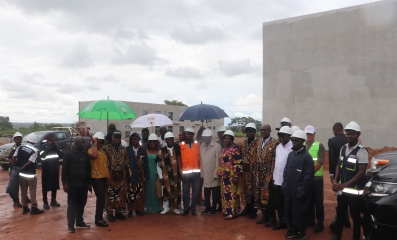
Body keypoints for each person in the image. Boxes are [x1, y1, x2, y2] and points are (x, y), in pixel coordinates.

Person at [331, 121, 368, 240]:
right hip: (342, 190)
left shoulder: (362, 151)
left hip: (354, 192)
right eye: (348, 134)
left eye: (352, 134)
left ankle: (356, 237)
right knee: (340, 212)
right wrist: (336, 181)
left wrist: (344, 185)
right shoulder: (343, 148)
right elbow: (338, 165)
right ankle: (337, 235)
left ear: (358, 135)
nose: (349, 136)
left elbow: (361, 172)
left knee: (355, 216)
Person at [282, 130, 314, 240]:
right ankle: (293, 229)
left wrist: (300, 191)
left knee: (300, 211)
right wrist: (285, 184)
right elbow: (286, 171)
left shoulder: (307, 157)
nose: (294, 142)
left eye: (296, 140)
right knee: (290, 210)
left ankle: (302, 232)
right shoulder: (291, 155)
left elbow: (308, 177)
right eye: (292, 140)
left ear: (302, 141)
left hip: (300, 192)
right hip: (289, 190)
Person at [62, 137, 91, 233]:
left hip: (83, 184)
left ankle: (79, 222)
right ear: (76, 143)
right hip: (73, 185)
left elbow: (88, 169)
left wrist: (89, 183)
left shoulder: (85, 154)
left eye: (84, 143)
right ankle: (70, 225)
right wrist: (64, 183)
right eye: (82, 143)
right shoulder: (68, 155)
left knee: (82, 204)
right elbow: (64, 170)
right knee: (72, 205)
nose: (84, 144)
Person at [11, 133, 44, 215]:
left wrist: (16, 167)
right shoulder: (35, 151)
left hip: (21, 174)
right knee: (32, 191)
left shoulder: (20, 147)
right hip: (30, 175)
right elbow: (29, 162)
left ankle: (25, 208)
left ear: (27, 140)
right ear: (34, 142)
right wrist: (22, 168)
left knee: (23, 191)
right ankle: (33, 208)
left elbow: (14, 158)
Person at [255, 124, 279, 228]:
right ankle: (265, 216)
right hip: (259, 174)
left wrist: (273, 174)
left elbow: (276, 158)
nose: (263, 132)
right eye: (261, 130)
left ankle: (272, 218)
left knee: (269, 197)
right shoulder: (259, 142)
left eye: (265, 130)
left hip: (269, 174)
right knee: (260, 196)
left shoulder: (275, 142)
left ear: (270, 131)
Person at [102, 130, 129, 222]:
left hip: (122, 176)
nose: (117, 139)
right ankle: (109, 213)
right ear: (112, 138)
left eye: (118, 137)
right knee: (110, 194)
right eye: (115, 137)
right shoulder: (106, 149)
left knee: (120, 194)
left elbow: (127, 162)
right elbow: (104, 163)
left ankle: (118, 212)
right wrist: (106, 176)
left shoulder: (124, 149)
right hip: (110, 176)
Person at [328, 122, 350, 230]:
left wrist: (332, 175)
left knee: (340, 197)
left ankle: (339, 221)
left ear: (335, 131)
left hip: (338, 173)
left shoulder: (332, 141)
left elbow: (332, 159)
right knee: (347, 195)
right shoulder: (349, 139)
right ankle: (347, 219)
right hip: (349, 173)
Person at [304, 125, 326, 233]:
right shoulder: (302, 145)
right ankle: (311, 220)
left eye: (310, 134)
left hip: (316, 178)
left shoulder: (319, 146)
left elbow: (320, 162)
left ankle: (320, 223)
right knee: (309, 201)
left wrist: (309, 173)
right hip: (306, 179)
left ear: (314, 134)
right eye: (307, 134)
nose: (308, 136)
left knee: (318, 202)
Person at [216, 130, 242, 220]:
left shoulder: (235, 149)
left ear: (231, 140)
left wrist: (236, 175)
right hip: (224, 176)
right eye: (225, 138)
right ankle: (226, 211)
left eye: (228, 138)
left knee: (232, 194)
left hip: (231, 176)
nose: (226, 140)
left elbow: (238, 163)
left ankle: (233, 212)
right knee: (225, 194)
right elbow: (221, 162)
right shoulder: (224, 149)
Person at [156, 132, 182, 214]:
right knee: (166, 191)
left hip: (176, 175)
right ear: (166, 140)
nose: (170, 140)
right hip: (166, 175)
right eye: (168, 139)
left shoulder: (177, 148)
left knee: (176, 191)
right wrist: (160, 176)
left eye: (172, 139)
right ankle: (166, 207)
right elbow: (158, 165)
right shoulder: (162, 151)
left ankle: (176, 207)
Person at [272, 126, 293, 231]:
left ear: (289, 136)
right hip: (279, 181)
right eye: (280, 136)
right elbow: (277, 164)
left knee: (288, 203)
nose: (281, 138)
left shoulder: (293, 147)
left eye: (283, 136)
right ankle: (282, 222)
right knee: (279, 203)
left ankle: (290, 223)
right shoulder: (278, 147)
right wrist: (275, 179)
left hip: (288, 182)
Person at [88, 132, 109, 227]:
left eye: (101, 142)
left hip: (103, 177)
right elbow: (94, 156)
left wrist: (107, 177)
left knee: (102, 197)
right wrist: (95, 144)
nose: (100, 144)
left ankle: (99, 217)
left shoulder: (103, 152)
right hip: (95, 178)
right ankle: (98, 219)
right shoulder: (91, 150)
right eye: (98, 142)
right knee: (100, 197)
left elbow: (105, 165)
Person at [239, 123, 260, 219]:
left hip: (254, 171)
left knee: (253, 192)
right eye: (247, 131)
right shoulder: (243, 143)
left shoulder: (258, 143)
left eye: (251, 131)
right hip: (244, 172)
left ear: (255, 132)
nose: (249, 133)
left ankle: (253, 210)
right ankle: (247, 208)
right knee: (245, 190)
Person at [180, 126, 201, 216]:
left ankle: (193, 208)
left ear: (193, 135)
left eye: (191, 134)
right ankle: (186, 208)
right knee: (185, 191)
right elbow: (179, 160)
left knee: (196, 192)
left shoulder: (198, 144)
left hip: (196, 173)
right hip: (185, 174)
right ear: (185, 134)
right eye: (187, 134)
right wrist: (181, 174)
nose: (189, 135)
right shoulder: (181, 145)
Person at [199, 129, 221, 215]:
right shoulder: (201, 146)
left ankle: (213, 208)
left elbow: (218, 161)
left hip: (213, 173)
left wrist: (216, 173)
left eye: (207, 137)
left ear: (211, 137)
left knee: (215, 193)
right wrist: (202, 174)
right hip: (205, 174)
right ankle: (207, 207)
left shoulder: (216, 146)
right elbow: (201, 161)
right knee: (206, 192)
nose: (206, 139)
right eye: (204, 137)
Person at [40, 132, 63, 209]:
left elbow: (61, 154)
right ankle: (45, 202)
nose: (52, 139)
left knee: (54, 185)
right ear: (47, 138)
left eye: (53, 137)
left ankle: (53, 201)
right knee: (45, 185)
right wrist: (49, 147)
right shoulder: (43, 146)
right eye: (51, 137)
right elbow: (41, 155)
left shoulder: (56, 146)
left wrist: (55, 147)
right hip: (46, 169)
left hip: (55, 168)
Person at [126, 132, 146, 217]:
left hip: (141, 175)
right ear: (130, 140)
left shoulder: (142, 149)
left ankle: (138, 209)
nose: (134, 140)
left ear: (138, 140)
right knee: (131, 193)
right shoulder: (127, 149)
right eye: (133, 139)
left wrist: (146, 175)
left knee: (140, 193)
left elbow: (146, 163)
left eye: (136, 139)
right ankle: (130, 210)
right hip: (131, 175)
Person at [1, 132, 24, 207]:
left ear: (21, 139)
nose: (18, 140)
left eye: (20, 139)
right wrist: (8, 159)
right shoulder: (10, 149)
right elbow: (1, 156)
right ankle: (16, 201)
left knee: (24, 185)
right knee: (14, 186)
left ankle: (25, 198)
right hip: (13, 170)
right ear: (14, 139)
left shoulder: (24, 148)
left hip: (23, 169)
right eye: (17, 139)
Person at [145, 133, 162, 213]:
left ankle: (157, 207)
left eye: (154, 142)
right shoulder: (145, 151)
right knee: (148, 190)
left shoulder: (159, 152)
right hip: (148, 174)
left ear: (156, 143)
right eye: (151, 142)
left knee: (156, 189)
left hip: (157, 173)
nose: (152, 144)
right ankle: (148, 207)